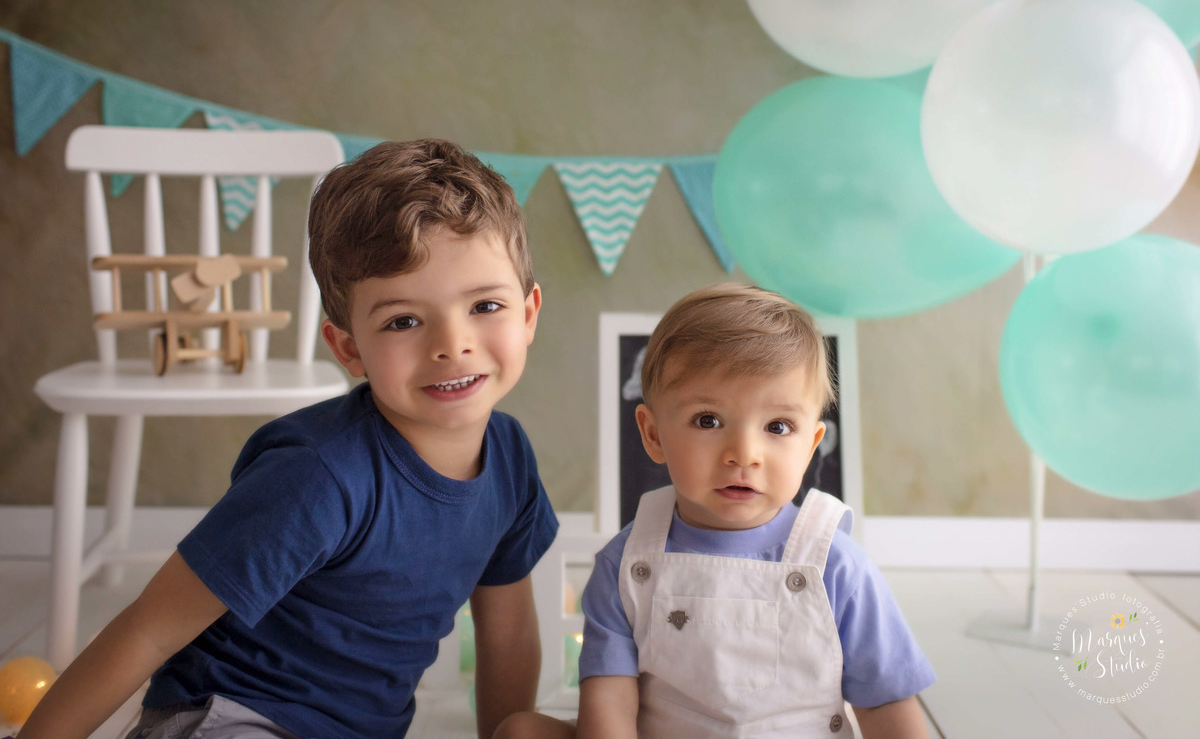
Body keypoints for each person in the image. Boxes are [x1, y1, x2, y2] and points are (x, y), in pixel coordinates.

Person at [21, 139, 559, 739]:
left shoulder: (508, 460)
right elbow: (150, 626)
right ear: (349, 347)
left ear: (529, 313)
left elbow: (507, 632)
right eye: (403, 320)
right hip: (236, 715)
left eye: (485, 305)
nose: (451, 343)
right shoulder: (318, 475)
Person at [497, 283, 934, 739]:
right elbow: (609, 699)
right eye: (708, 420)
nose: (744, 453)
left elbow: (887, 705)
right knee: (520, 732)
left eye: (777, 426)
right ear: (653, 434)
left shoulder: (836, 566)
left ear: (811, 447)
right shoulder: (628, 562)